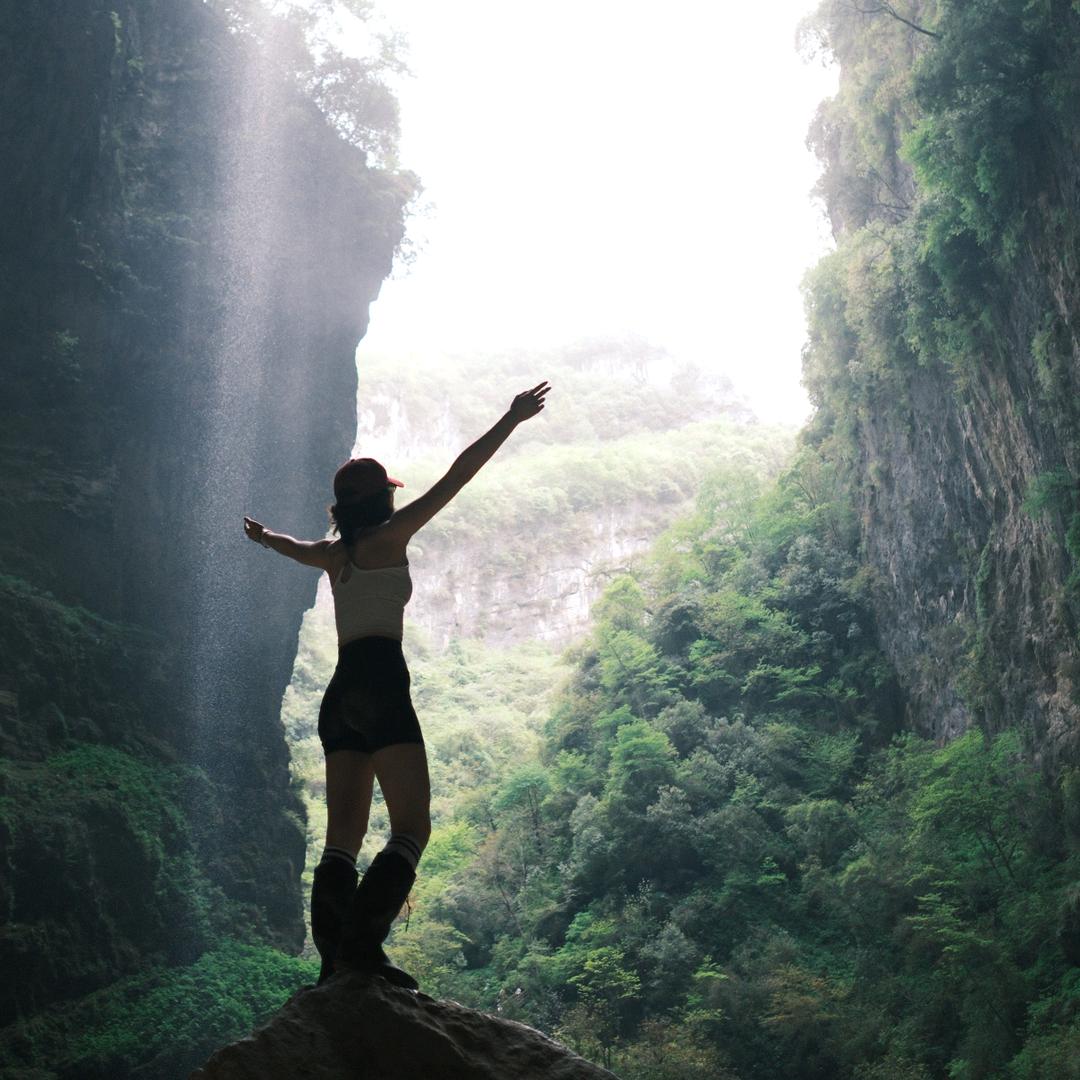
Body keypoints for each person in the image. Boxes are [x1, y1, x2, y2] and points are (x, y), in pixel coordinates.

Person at [242, 380, 550, 991]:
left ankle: (334, 959)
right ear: (381, 500)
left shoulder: (334, 556)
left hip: (339, 695)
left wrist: (261, 536)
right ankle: (362, 948)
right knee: (412, 826)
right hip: (382, 681)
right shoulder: (390, 537)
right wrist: (511, 418)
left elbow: (289, 545)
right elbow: (457, 477)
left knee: (342, 840)